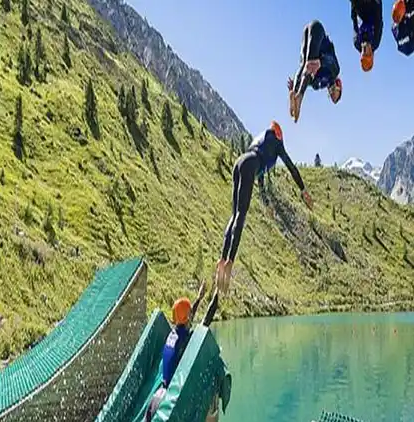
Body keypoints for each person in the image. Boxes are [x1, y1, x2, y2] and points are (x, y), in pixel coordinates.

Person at [215, 121, 313, 293]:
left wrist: (267, 204)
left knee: (234, 214)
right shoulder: (277, 144)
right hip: (250, 164)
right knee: (241, 214)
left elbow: (260, 179)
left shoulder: (261, 143)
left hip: (239, 163)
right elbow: (291, 167)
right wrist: (303, 189)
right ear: (279, 136)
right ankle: (230, 261)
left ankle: (222, 259)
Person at [146, 279, 220, 421]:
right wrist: (218, 291)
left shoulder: (172, 335)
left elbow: (186, 317)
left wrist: (199, 298)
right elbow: (207, 319)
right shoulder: (187, 340)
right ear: (188, 317)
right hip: (171, 399)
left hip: (157, 397)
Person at [288, 20, 343, 123]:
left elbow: (306, 78)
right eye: (334, 93)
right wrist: (321, 62)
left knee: (305, 66)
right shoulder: (335, 71)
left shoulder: (317, 85)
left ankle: (295, 93)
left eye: (331, 95)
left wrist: (294, 85)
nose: (331, 93)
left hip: (306, 35)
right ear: (338, 87)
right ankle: (299, 96)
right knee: (311, 64)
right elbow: (331, 61)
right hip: (318, 31)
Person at [351, 0, 383, 71]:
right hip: (372, 5)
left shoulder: (357, 42)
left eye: (364, 54)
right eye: (368, 54)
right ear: (372, 55)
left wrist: (353, 3)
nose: (366, 51)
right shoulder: (375, 41)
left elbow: (354, 20)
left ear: (361, 55)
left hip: (360, 6)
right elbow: (379, 21)